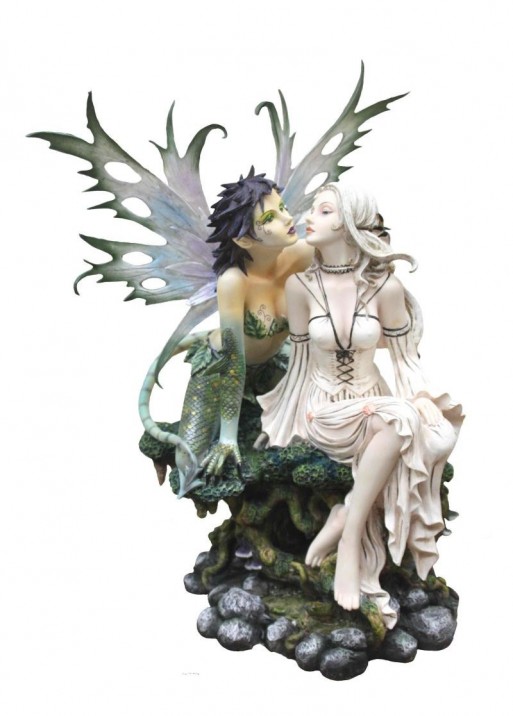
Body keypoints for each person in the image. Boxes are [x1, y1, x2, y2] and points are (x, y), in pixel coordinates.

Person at [257, 182, 463, 627]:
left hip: (376, 403)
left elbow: (405, 358)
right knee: (401, 421)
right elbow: (299, 362)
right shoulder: (300, 286)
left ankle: (346, 519)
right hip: (323, 408)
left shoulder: (385, 287)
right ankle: (350, 543)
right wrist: (283, 417)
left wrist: (421, 397)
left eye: (324, 211)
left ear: (349, 222)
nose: (308, 217)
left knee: (421, 424)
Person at [140, 169, 313, 494]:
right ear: (245, 240)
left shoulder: (303, 254)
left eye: (283, 207)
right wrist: (227, 438)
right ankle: (160, 444)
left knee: (321, 436)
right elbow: (233, 361)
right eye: (271, 218)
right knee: (192, 470)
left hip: (275, 362)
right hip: (221, 367)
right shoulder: (234, 282)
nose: (288, 218)